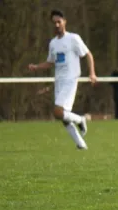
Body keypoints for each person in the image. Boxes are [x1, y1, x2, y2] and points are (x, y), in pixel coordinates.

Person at [28, 9, 96, 150]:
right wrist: (36, 67)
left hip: (70, 79)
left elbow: (88, 54)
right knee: (63, 117)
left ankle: (80, 119)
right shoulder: (53, 43)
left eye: (59, 22)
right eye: (54, 23)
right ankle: (81, 144)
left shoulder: (73, 38)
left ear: (65, 22)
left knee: (58, 112)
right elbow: (51, 62)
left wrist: (92, 73)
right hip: (59, 81)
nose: (57, 25)